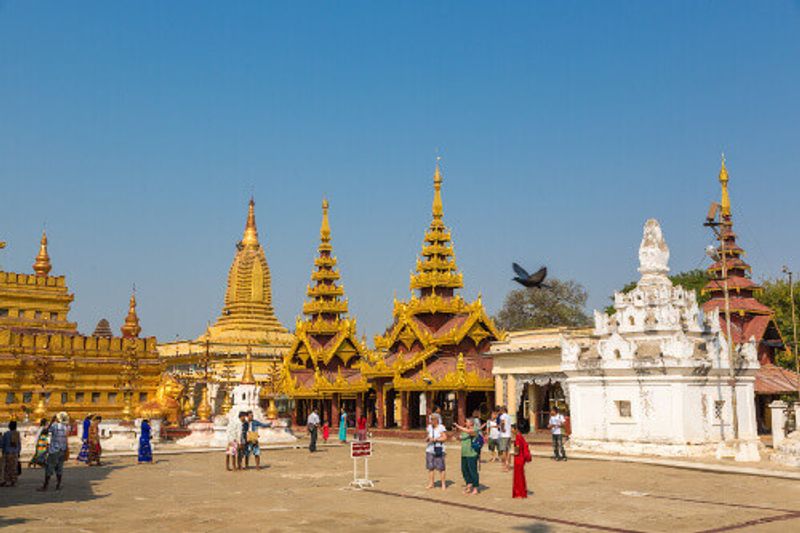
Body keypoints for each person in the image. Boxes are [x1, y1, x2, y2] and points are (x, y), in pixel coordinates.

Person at [38, 412, 69, 491]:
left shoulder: (54, 426)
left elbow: (45, 432)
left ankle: (45, 486)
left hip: (54, 450)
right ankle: (58, 485)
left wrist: (52, 421)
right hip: (63, 449)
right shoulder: (66, 427)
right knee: (59, 468)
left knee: (49, 467)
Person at [453, 418, 479, 495]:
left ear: (471, 423)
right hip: (464, 453)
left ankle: (475, 487)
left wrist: (458, 426)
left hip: (472, 454)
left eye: (466, 422)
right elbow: (459, 438)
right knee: (464, 470)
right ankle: (469, 484)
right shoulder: (464, 431)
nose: (465, 423)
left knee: (473, 471)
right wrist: (455, 432)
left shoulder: (475, 429)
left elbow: (470, 432)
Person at [424, 413, 447, 491]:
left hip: (439, 448)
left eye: (433, 419)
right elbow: (428, 436)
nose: (431, 421)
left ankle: (443, 484)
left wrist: (435, 439)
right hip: (430, 449)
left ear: (437, 420)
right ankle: (431, 483)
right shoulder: (429, 427)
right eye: (431, 419)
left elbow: (444, 438)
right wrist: (427, 439)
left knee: (441, 468)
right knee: (430, 467)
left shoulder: (441, 427)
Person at [512, 424, 532, 498]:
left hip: (518, 458)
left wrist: (514, 453)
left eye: (512, 429)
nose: (511, 430)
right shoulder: (520, 436)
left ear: (516, 429)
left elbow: (517, 449)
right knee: (521, 475)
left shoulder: (518, 437)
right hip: (521, 458)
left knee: (518, 476)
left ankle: (519, 492)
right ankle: (521, 491)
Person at [0, 421, 21, 487]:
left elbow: (2, 443)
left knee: (7, 467)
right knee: (14, 467)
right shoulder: (17, 434)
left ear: (9, 426)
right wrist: (18, 451)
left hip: (7, 452)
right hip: (15, 453)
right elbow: (19, 444)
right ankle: (13, 481)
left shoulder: (6, 434)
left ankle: (7, 481)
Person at [498, 406, 512, 471]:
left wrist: (502, 428)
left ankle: (504, 465)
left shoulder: (502, 416)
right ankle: (508, 464)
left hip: (504, 435)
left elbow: (502, 422)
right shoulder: (509, 416)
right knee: (508, 451)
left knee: (503, 451)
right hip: (509, 435)